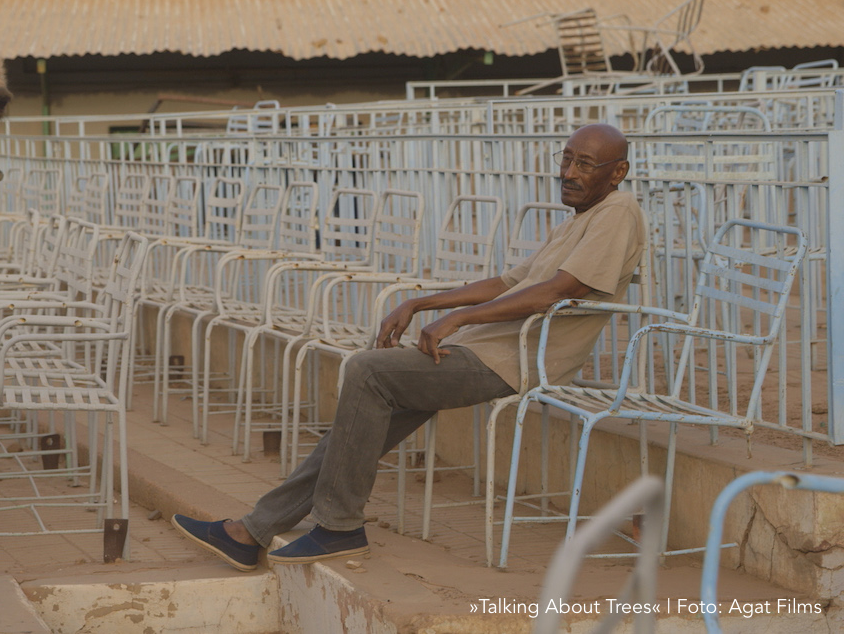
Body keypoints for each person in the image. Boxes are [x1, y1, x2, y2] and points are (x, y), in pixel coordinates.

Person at [172, 123, 647, 570]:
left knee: (368, 372)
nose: (568, 173)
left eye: (585, 164)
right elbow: (506, 282)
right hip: (480, 351)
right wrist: (422, 303)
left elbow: (559, 290)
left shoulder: (619, 211)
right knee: (362, 413)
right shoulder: (575, 221)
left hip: (517, 361)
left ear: (617, 172)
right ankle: (252, 533)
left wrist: (456, 317)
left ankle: (339, 526)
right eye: (566, 160)